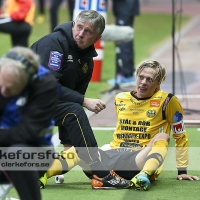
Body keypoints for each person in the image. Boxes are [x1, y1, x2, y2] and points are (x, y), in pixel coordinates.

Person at [44, 60, 199, 191]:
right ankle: (42, 176)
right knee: (79, 148)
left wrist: (182, 170)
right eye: (141, 77)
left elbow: (180, 135)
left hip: (139, 158)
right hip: (109, 158)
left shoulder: (168, 101)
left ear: (159, 82)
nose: (143, 82)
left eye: (149, 79)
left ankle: (143, 176)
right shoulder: (121, 98)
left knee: (163, 136)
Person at [30, 9, 130, 190]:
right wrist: (85, 101)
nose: (81, 34)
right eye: (79, 27)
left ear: (97, 38)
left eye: (88, 31)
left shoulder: (87, 61)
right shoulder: (54, 43)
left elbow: (69, 105)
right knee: (76, 109)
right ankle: (101, 173)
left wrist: (68, 148)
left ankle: (96, 171)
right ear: (74, 24)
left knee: (74, 111)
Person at [0, 46, 58, 200]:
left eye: (10, 89)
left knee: (17, 154)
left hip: (36, 151)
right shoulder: (3, 76)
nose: (3, 92)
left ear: (28, 82)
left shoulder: (46, 85)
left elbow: (25, 132)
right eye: (1, 85)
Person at [107, 0, 140, 86]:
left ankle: (125, 74)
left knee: (123, 40)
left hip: (125, 7)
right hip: (125, 8)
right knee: (126, 40)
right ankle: (126, 73)